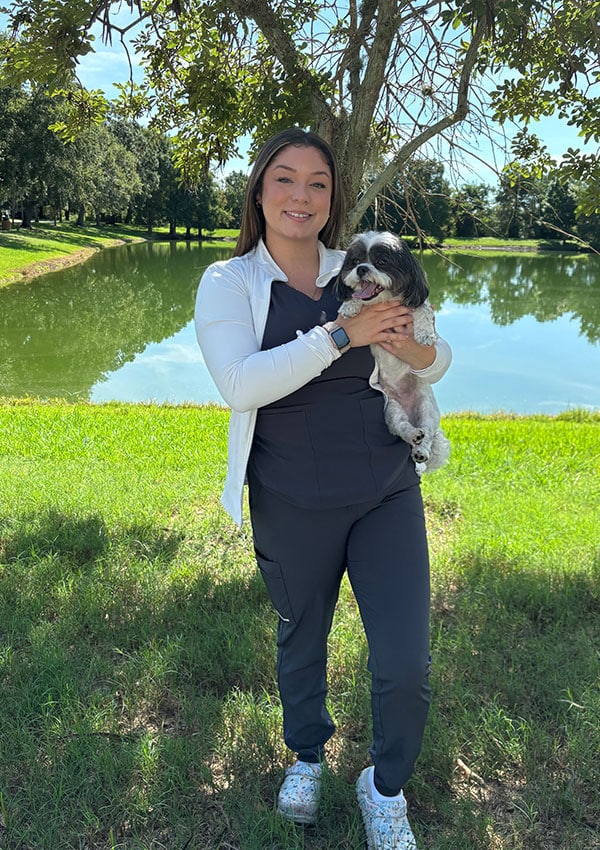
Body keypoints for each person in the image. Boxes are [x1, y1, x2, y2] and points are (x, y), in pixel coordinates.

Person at [194, 127, 451, 850]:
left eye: (317, 183)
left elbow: (435, 354)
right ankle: (307, 754)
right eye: (284, 178)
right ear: (259, 189)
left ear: (332, 197)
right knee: (301, 640)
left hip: (384, 490)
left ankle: (385, 786)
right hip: (290, 496)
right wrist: (343, 334)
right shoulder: (229, 281)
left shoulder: (366, 263)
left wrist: (404, 344)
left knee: (405, 660)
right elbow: (240, 382)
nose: (301, 196)